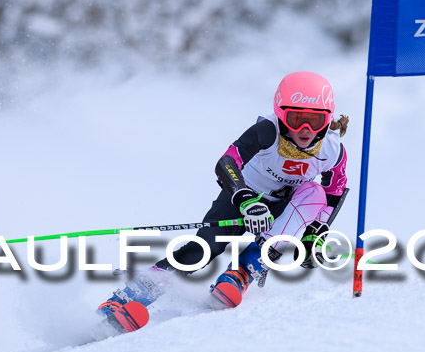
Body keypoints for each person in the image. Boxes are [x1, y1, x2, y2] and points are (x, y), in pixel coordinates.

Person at [97, 71, 349, 334]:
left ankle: (244, 268)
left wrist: (316, 231)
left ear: (328, 119)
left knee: (314, 192)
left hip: (283, 209)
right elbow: (226, 162)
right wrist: (244, 198)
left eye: (315, 120)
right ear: (280, 113)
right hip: (242, 197)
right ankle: (125, 299)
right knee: (203, 250)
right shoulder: (267, 132)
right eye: (296, 119)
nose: (305, 130)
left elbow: (334, 190)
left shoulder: (332, 150)